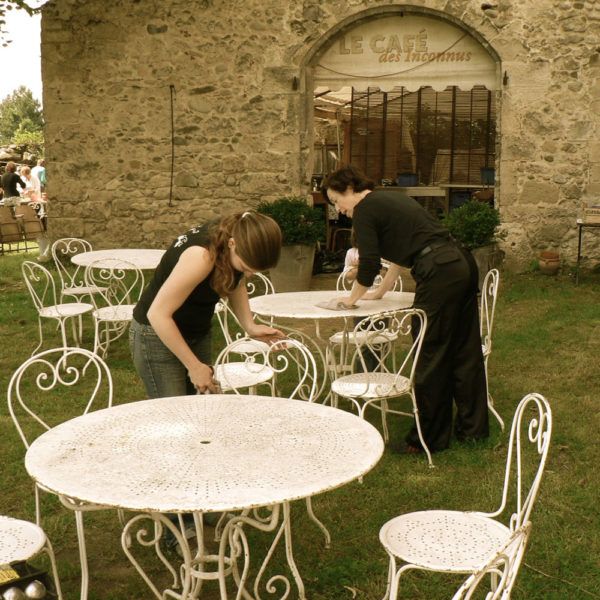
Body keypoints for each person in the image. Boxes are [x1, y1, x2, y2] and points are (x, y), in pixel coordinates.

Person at [321, 165, 488, 454]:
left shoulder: (365, 209)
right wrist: (379, 293)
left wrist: (352, 299)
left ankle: (427, 440)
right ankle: (473, 430)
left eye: (336, 200)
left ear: (349, 187)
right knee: (464, 349)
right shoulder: (388, 199)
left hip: (439, 271)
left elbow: (369, 263)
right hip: (461, 263)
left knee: (429, 352)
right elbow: (401, 255)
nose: (339, 209)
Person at [130, 210, 284, 399]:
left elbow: (237, 281)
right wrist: (194, 366)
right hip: (156, 335)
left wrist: (250, 326)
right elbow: (157, 315)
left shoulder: (239, 235)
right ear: (232, 244)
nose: (248, 274)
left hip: (197, 331)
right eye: (245, 267)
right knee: (175, 411)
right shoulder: (202, 257)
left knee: (204, 407)